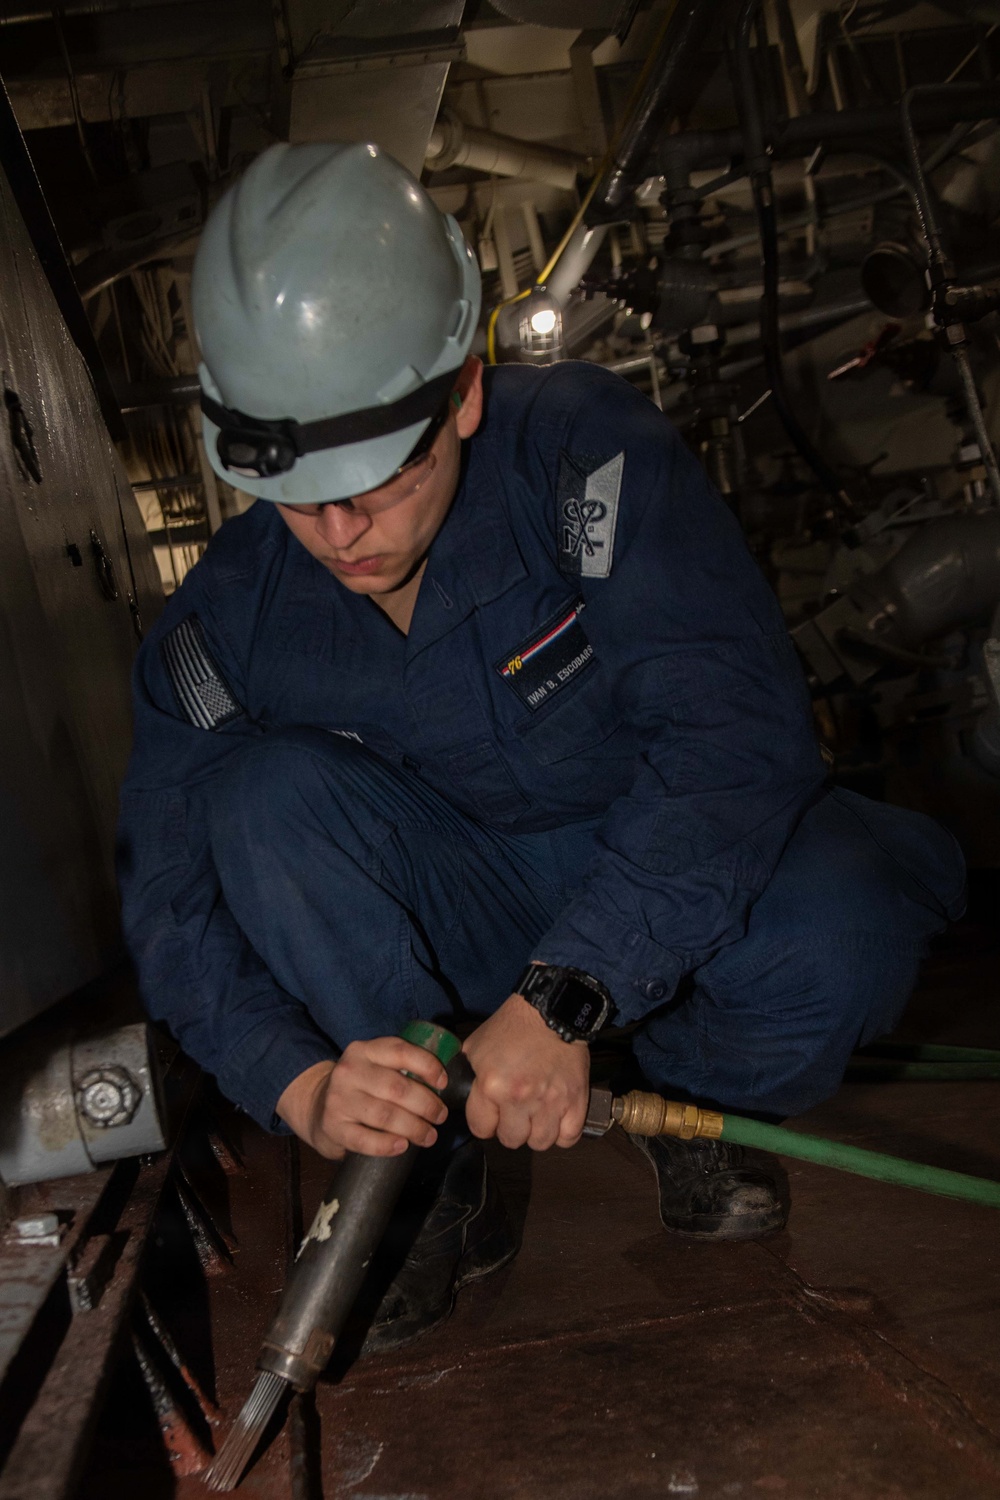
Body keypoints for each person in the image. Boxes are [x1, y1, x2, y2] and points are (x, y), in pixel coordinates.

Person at [118, 141, 966, 1350]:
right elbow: (170, 902)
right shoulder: (219, 627)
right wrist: (295, 1083)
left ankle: (684, 1098)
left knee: (842, 933)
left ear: (461, 392)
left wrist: (567, 1001)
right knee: (258, 799)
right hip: (464, 907)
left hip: (656, 861)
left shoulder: (583, 458)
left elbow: (730, 737)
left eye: (381, 476)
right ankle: (432, 1167)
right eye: (298, 493)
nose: (341, 529)